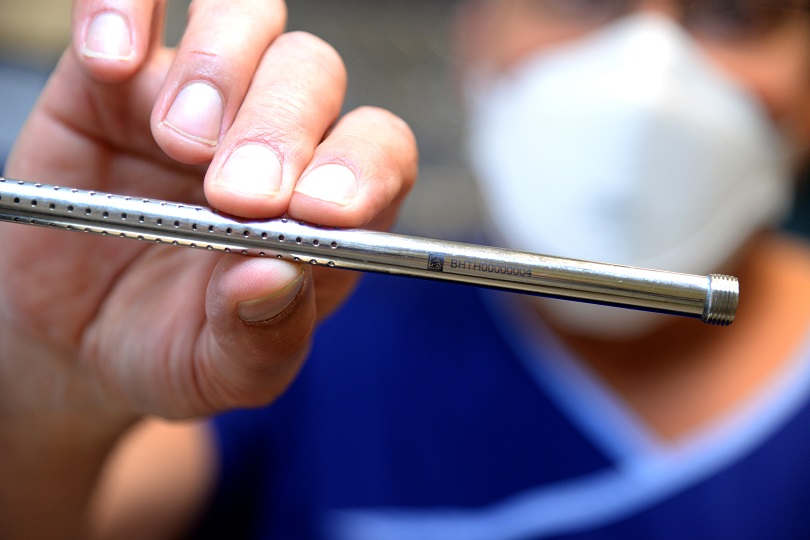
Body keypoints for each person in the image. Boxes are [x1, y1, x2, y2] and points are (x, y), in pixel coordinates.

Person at [3, 0, 810, 538]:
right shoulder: (294, 324)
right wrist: (44, 387)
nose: (649, 80)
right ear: (475, 31)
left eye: (735, 11)